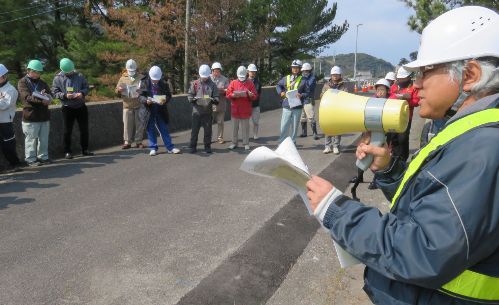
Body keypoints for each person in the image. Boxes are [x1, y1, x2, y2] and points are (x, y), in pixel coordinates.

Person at [307, 6, 499, 304]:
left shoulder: (484, 146)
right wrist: (390, 171)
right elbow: (441, 206)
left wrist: (336, 210)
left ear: (470, 75)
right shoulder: (477, 132)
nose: (416, 84)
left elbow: (426, 251)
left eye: (425, 72)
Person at [349, 79, 399, 189]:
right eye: (378, 90)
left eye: (382, 89)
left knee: (377, 157)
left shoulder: (391, 101)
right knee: (364, 153)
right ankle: (359, 176)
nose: (380, 92)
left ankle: (376, 180)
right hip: (370, 131)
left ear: (387, 90)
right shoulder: (372, 101)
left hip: (384, 133)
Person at [52, 58, 93, 159]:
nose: (69, 73)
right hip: (67, 107)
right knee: (67, 130)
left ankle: (85, 149)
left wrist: (82, 93)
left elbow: (86, 87)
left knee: (84, 129)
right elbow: (55, 93)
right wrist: (65, 96)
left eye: (71, 71)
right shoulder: (57, 78)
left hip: (80, 106)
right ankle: (67, 151)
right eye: (67, 71)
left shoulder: (79, 75)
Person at [138, 66, 180, 156]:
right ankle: (153, 148)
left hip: (160, 109)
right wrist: (146, 100)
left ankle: (170, 147)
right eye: (154, 80)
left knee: (164, 129)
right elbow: (140, 96)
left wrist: (166, 100)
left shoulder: (163, 83)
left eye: (157, 79)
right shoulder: (144, 82)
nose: (155, 81)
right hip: (148, 109)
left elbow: (168, 95)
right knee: (151, 129)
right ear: (150, 76)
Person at [18, 60, 53, 166]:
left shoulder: (42, 82)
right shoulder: (22, 82)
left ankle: (43, 156)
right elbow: (27, 97)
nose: (36, 74)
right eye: (34, 72)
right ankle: (30, 158)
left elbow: (50, 93)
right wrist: (41, 100)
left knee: (44, 138)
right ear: (28, 71)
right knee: (31, 139)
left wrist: (47, 96)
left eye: (38, 72)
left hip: (43, 114)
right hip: (30, 114)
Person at [386, 66, 420, 162]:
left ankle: (403, 158)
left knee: (403, 139)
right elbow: (388, 98)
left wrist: (405, 101)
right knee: (394, 138)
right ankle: (395, 157)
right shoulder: (393, 87)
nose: (401, 80)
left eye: (403, 78)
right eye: (400, 78)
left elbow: (417, 102)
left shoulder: (413, 87)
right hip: (393, 116)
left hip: (405, 117)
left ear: (409, 77)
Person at [276, 59, 309, 145]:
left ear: (300, 69)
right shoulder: (285, 78)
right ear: (291, 68)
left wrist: (301, 95)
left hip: (297, 106)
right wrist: (281, 92)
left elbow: (308, 93)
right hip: (287, 105)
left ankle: (293, 143)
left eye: (297, 68)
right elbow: (278, 85)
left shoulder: (304, 80)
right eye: (293, 67)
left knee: (295, 127)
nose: (295, 69)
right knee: (284, 125)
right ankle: (281, 143)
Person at [187, 64, 220, 153]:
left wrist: (213, 100)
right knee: (195, 129)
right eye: (203, 77)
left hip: (208, 110)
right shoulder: (195, 83)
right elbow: (189, 95)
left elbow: (217, 97)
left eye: (206, 77)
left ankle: (207, 146)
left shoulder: (212, 85)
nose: (204, 78)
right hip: (196, 110)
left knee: (208, 129)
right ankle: (193, 146)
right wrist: (193, 100)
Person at [115, 59, 145, 149]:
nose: (131, 72)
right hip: (127, 104)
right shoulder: (122, 78)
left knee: (139, 124)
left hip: (139, 104)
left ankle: (139, 141)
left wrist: (141, 90)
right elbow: (116, 91)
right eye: (130, 71)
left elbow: (147, 89)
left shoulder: (141, 77)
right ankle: (127, 142)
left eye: (133, 70)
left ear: (136, 69)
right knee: (127, 124)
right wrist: (119, 90)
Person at [226, 66, 258, 150]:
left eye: (243, 77)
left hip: (245, 109)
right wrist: (232, 95)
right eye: (240, 77)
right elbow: (228, 93)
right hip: (235, 109)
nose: (241, 79)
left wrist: (251, 95)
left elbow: (255, 95)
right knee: (234, 128)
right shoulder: (233, 83)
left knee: (245, 128)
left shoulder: (250, 84)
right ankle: (234, 142)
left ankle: (246, 143)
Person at [320, 66, 348, 154]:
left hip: (338, 109)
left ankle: (336, 146)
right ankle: (327, 146)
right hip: (328, 109)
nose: (335, 76)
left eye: (337, 74)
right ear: (331, 75)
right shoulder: (326, 85)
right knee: (328, 127)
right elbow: (321, 95)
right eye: (333, 74)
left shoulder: (344, 85)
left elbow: (346, 96)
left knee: (337, 128)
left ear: (340, 75)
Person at [0, 64, 23, 172]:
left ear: (5, 76)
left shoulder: (10, 89)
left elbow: (4, 105)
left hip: (4, 121)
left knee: (8, 144)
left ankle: (15, 163)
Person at [210, 62, 230, 144]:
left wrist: (224, 91)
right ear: (212, 71)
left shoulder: (224, 79)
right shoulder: (208, 78)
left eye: (218, 71)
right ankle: (209, 137)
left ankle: (220, 137)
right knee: (209, 122)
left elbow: (228, 90)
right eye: (215, 71)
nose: (217, 73)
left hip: (221, 103)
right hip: (210, 104)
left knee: (220, 122)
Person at [299, 63, 319, 140]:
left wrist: (301, 87)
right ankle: (304, 132)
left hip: (308, 99)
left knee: (311, 117)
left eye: (305, 71)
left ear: (309, 71)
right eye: (303, 71)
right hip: (301, 100)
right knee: (302, 117)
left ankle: (315, 133)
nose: (303, 72)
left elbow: (308, 87)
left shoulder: (312, 78)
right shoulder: (301, 78)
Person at [247, 64, 262, 140]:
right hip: (247, 104)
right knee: (246, 122)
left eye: (254, 71)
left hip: (256, 104)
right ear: (248, 72)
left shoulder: (258, 82)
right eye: (251, 71)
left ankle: (255, 134)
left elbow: (259, 93)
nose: (252, 73)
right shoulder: (245, 82)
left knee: (256, 121)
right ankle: (246, 135)